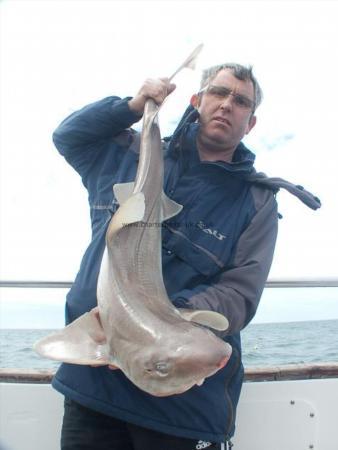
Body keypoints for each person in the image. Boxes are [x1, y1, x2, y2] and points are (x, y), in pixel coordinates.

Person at [51, 63, 320, 450]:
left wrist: (162, 322)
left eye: (240, 101)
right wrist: (131, 106)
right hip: (94, 385)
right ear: (196, 102)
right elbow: (69, 137)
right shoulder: (128, 156)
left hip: (180, 404)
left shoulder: (255, 202)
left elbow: (240, 293)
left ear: (251, 122)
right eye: (218, 93)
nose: (227, 105)